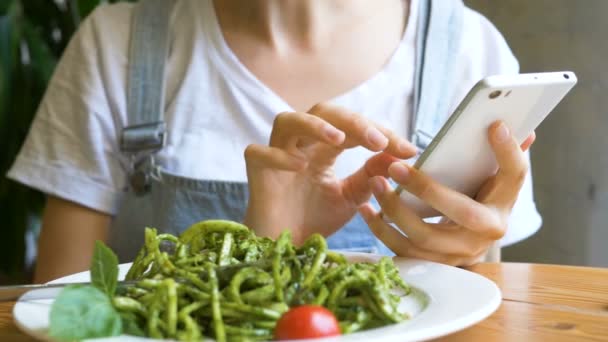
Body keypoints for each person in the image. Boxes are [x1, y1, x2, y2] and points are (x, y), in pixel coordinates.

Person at [7, 0, 541, 283]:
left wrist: (471, 248)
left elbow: (482, 298)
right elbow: (65, 311)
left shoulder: (468, 50)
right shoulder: (117, 45)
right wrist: (259, 253)